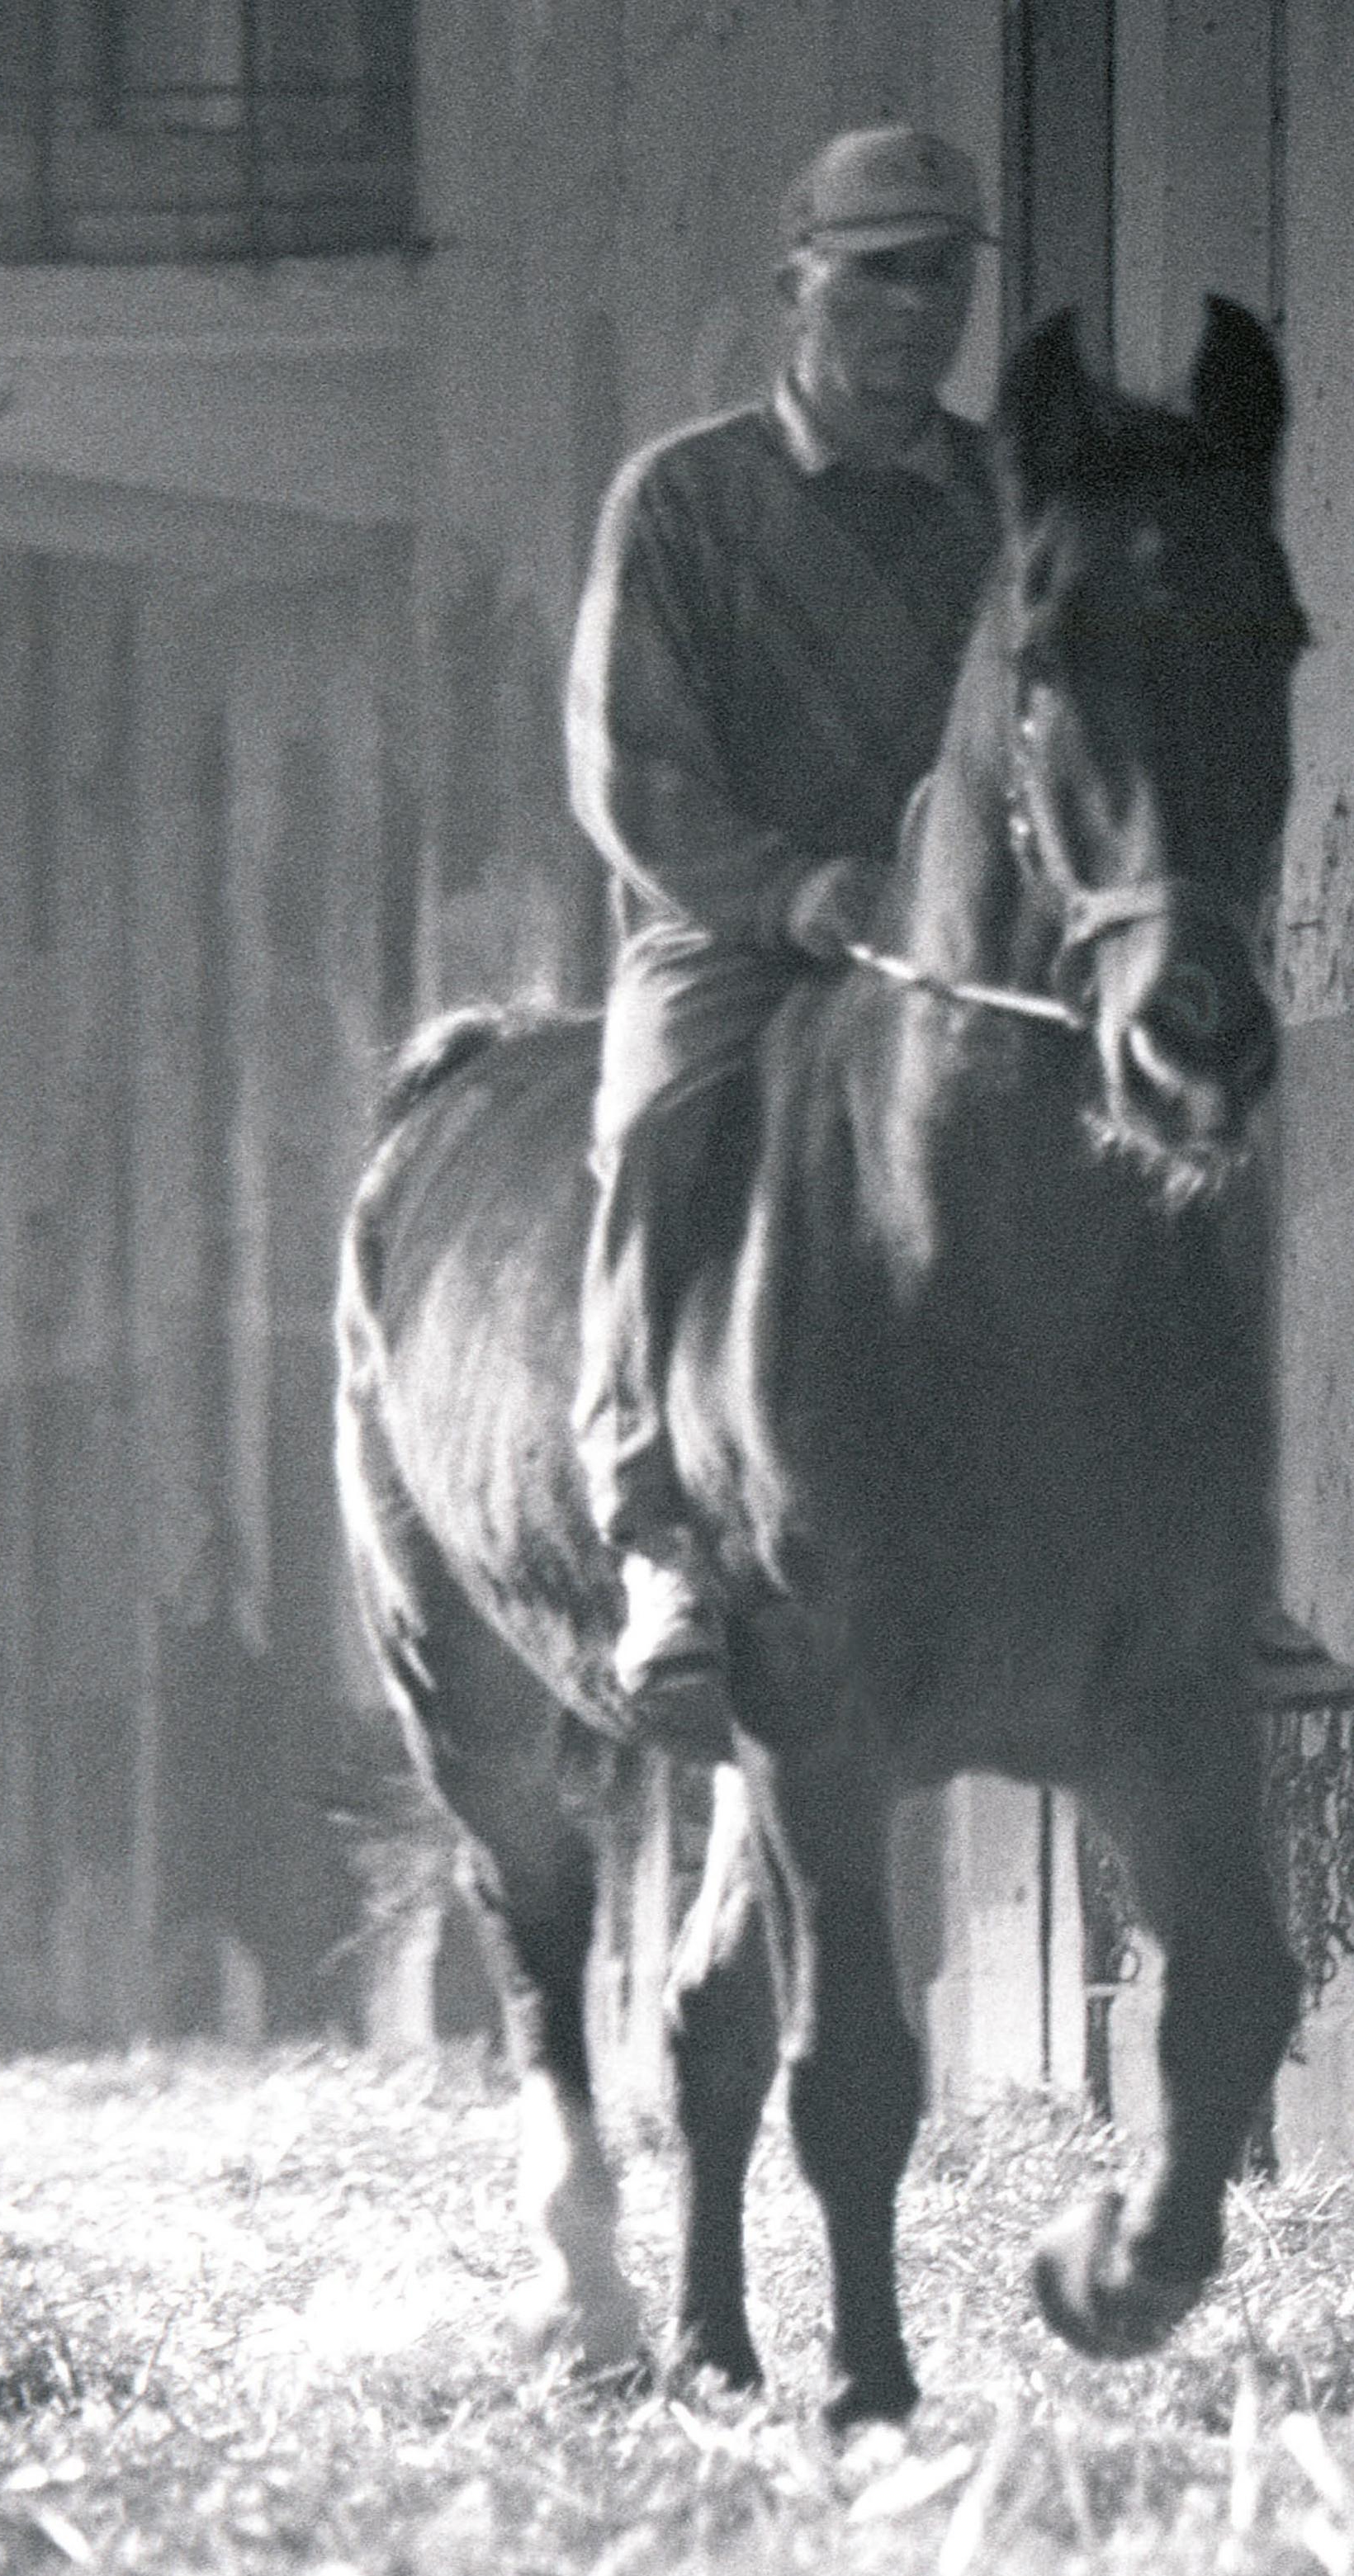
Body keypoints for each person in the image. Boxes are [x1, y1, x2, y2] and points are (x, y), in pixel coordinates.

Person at [566, 124, 1001, 1729]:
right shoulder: (682, 499)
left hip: (954, 932)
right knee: (658, 1124)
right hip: (732, 929)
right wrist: (785, 889)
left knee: (1150, 1108)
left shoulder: (1001, 501)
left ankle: (1195, 1561)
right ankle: (653, 1531)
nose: (914, 305)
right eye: (878, 271)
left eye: (942, 273)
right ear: (793, 285)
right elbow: (628, 764)